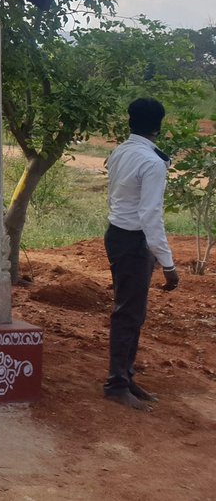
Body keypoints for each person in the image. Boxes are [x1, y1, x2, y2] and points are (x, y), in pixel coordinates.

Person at [103, 97, 180, 411]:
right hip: (134, 242)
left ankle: (125, 376)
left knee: (131, 311)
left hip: (117, 234)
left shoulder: (121, 151)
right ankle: (117, 385)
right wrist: (168, 264)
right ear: (158, 127)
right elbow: (150, 215)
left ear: (130, 121)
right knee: (129, 313)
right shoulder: (152, 162)